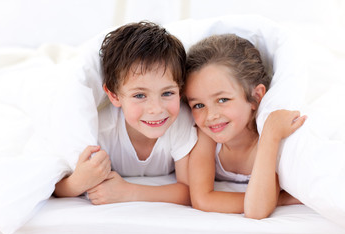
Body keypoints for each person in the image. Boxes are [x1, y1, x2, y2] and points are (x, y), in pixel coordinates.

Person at [54, 21, 197, 206]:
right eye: (139, 95)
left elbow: (189, 191)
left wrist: (128, 192)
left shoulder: (181, 121)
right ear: (114, 96)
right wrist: (77, 183)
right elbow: (55, 186)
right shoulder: (101, 130)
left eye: (167, 93)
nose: (156, 109)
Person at [184, 34, 306, 219]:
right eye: (198, 105)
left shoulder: (265, 142)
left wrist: (271, 134)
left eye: (223, 99)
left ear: (256, 97)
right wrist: (277, 199)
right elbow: (202, 200)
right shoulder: (206, 136)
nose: (211, 116)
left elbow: (256, 210)